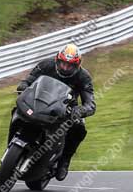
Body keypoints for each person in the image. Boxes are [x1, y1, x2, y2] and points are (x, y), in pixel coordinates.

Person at [15, 42, 96, 181]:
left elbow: (91, 104)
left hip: (66, 108)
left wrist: (81, 110)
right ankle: (14, 139)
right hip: (39, 101)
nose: (65, 67)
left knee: (79, 129)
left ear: (77, 66)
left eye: (70, 65)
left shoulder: (84, 77)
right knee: (17, 110)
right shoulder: (46, 65)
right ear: (57, 59)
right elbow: (29, 80)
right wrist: (23, 85)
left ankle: (64, 160)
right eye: (63, 63)